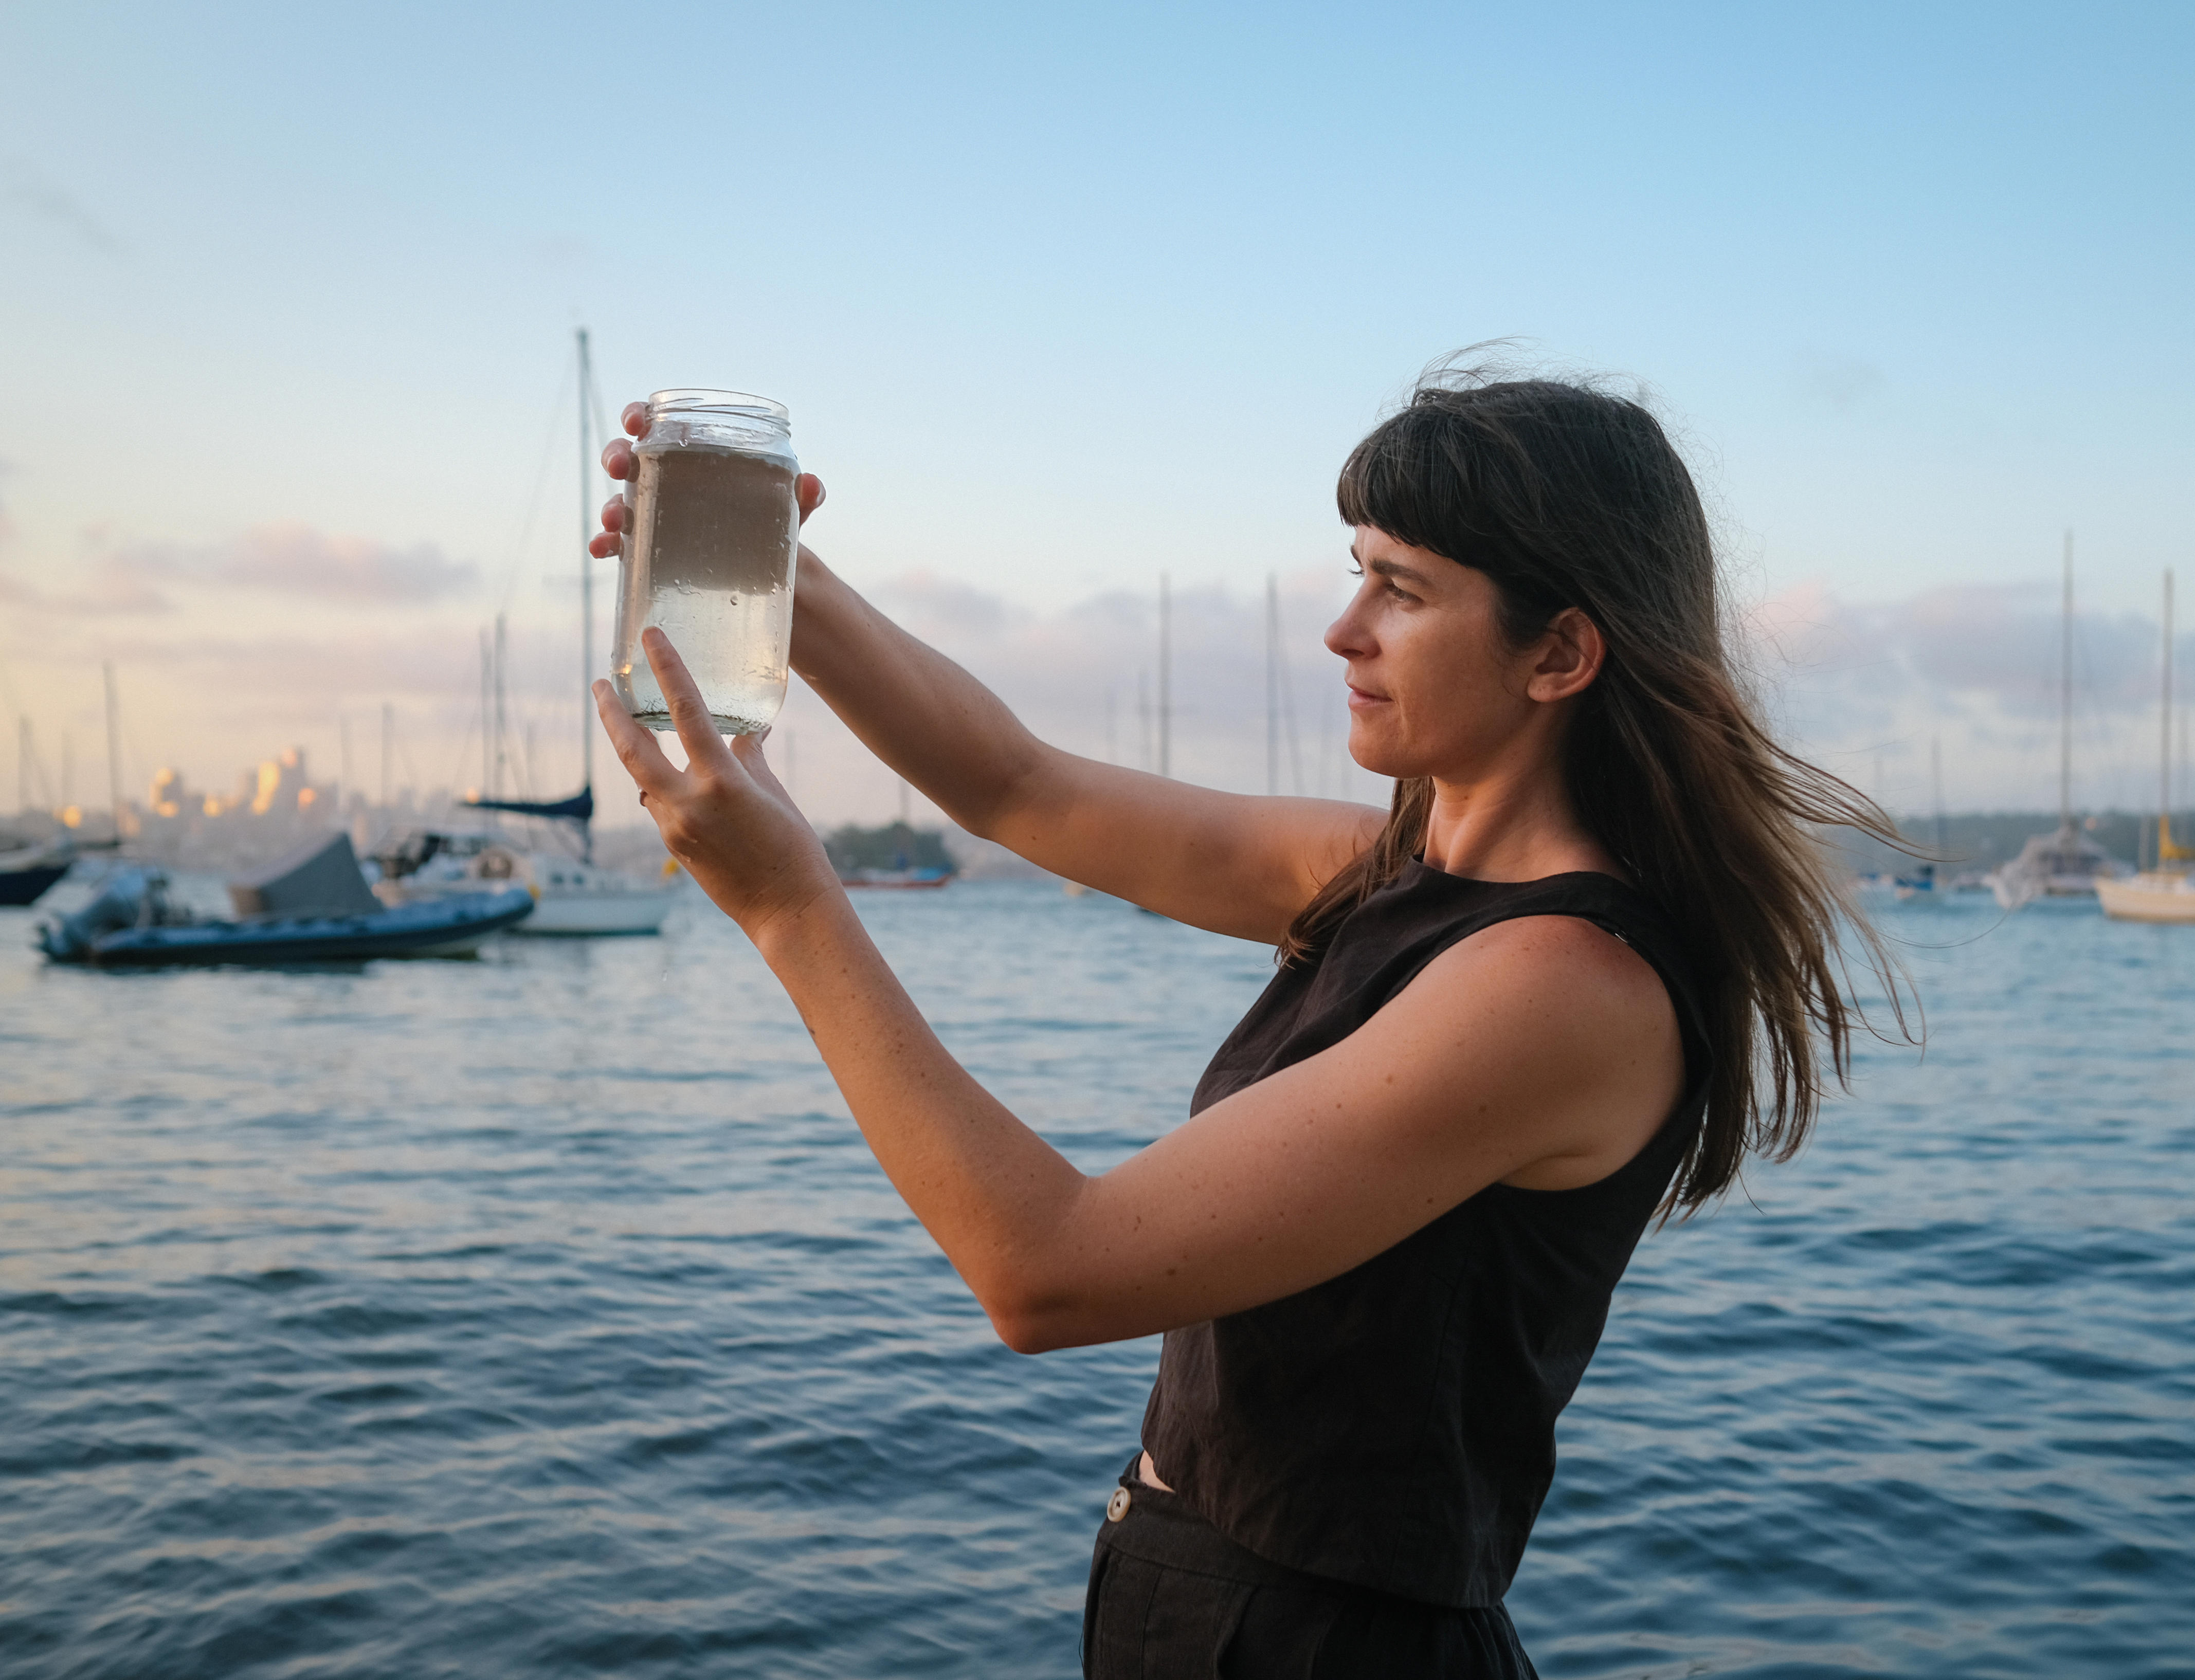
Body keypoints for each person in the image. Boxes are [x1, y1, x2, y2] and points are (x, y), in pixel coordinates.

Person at [589, 366, 1898, 1677]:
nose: (1343, 630)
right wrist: (770, 573)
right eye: (1357, 570)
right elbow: (1012, 782)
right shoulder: (1386, 878)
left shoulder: (1566, 984)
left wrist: (789, 910)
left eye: (1404, 589)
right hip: (1196, 1601)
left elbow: (1047, 1267)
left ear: (1558, 651)